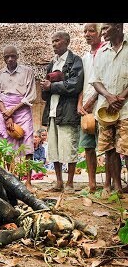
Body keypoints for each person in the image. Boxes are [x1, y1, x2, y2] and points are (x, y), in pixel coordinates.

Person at [40, 32, 84, 194]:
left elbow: (75, 85)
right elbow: (46, 93)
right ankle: (59, 182)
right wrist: (45, 87)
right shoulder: (52, 64)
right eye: (52, 41)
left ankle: (70, 183)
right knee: (54, 149)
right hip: (52, 111)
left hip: (67, 111)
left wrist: (51, 86)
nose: (54, 44)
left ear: (67, 41)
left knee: (69, 147)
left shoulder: (75, 61)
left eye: (57, 40)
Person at [91, 23, 128, 197]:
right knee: (109, 149)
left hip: (126, 108)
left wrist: (121, 96)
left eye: (106, 28)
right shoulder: (101, 52)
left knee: (126, 149)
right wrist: (109, 96)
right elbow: (95, 80)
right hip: (105, 110)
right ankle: (117, 187)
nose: (103, 32)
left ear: (118, 28)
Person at [0, 45, 37, 192]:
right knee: (6, 147)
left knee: (28, 145)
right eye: (7, 56)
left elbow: (31, 95)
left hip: (22, 110)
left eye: (13, 56)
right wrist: (6, 115)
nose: (10, 59)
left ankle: (29, 182)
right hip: (4, 111)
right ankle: (11, 180)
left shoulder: (27, 72)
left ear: (18, 56)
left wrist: (12, 110)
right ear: (4, 58)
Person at [77, 23, 105, 194]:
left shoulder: (106, 52)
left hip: (102, 105)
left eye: (91, 31)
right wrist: (80, 103)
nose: (87, 34)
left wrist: (93, 99)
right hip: (86, 108)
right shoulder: (85, 57)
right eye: (85, 31)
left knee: (108, 147)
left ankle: (109, 185)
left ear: (100, 33)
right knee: (88, 147)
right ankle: (92, 184)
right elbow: (83, 83)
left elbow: (104, 81)